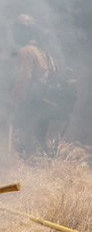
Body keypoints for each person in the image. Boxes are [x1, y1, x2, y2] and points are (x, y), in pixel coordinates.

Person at [10, 14, 74, 154]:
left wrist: (15, 102)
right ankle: (45, 166)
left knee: (24, 144)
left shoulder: (26, 51)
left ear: (24, 31)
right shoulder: (43, 53)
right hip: (44, 104)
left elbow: (24, 78)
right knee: (40, 143)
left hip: (31, 104)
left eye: (17, 29)